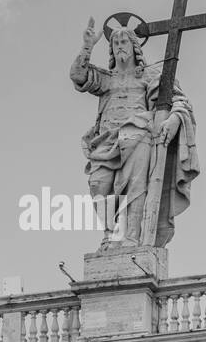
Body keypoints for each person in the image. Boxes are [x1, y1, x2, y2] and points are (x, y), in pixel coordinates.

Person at [70, 16, 199, 248]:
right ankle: (110, 235)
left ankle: (130, 236)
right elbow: (79, 76)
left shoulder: (149, 75)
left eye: (124, 42)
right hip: (105, 142)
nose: (120, 46)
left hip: (139, 135)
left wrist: (174, 120)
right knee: (98, 185)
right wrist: (87, 46)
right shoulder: (106, 79)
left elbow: (180, 101)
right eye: (115, 43)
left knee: (136, 187)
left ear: (134, 47)